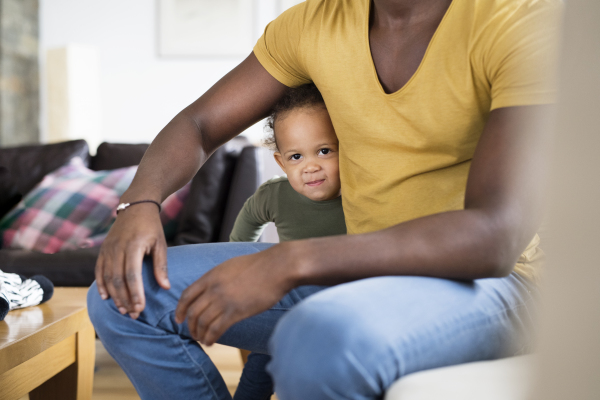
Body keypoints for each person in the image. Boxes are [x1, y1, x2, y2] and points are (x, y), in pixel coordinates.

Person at [87, 0, 561, 399]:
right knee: (124, 295)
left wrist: (292, 260)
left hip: (500, 284)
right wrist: (140, 202)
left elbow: (495, 235)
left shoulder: (519, 19)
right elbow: (200, 125)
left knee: (321, 337)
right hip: (360, 265)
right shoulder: (314, 22)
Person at [230, 84, 346, 399]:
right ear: (282, 163)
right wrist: (244, 260)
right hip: (290, 304)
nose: (310, 166)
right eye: (296, 156)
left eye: (324, 150)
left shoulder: (361, 191)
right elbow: (249, 219)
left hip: (346, 303)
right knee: (261, 366)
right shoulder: (275, 195)